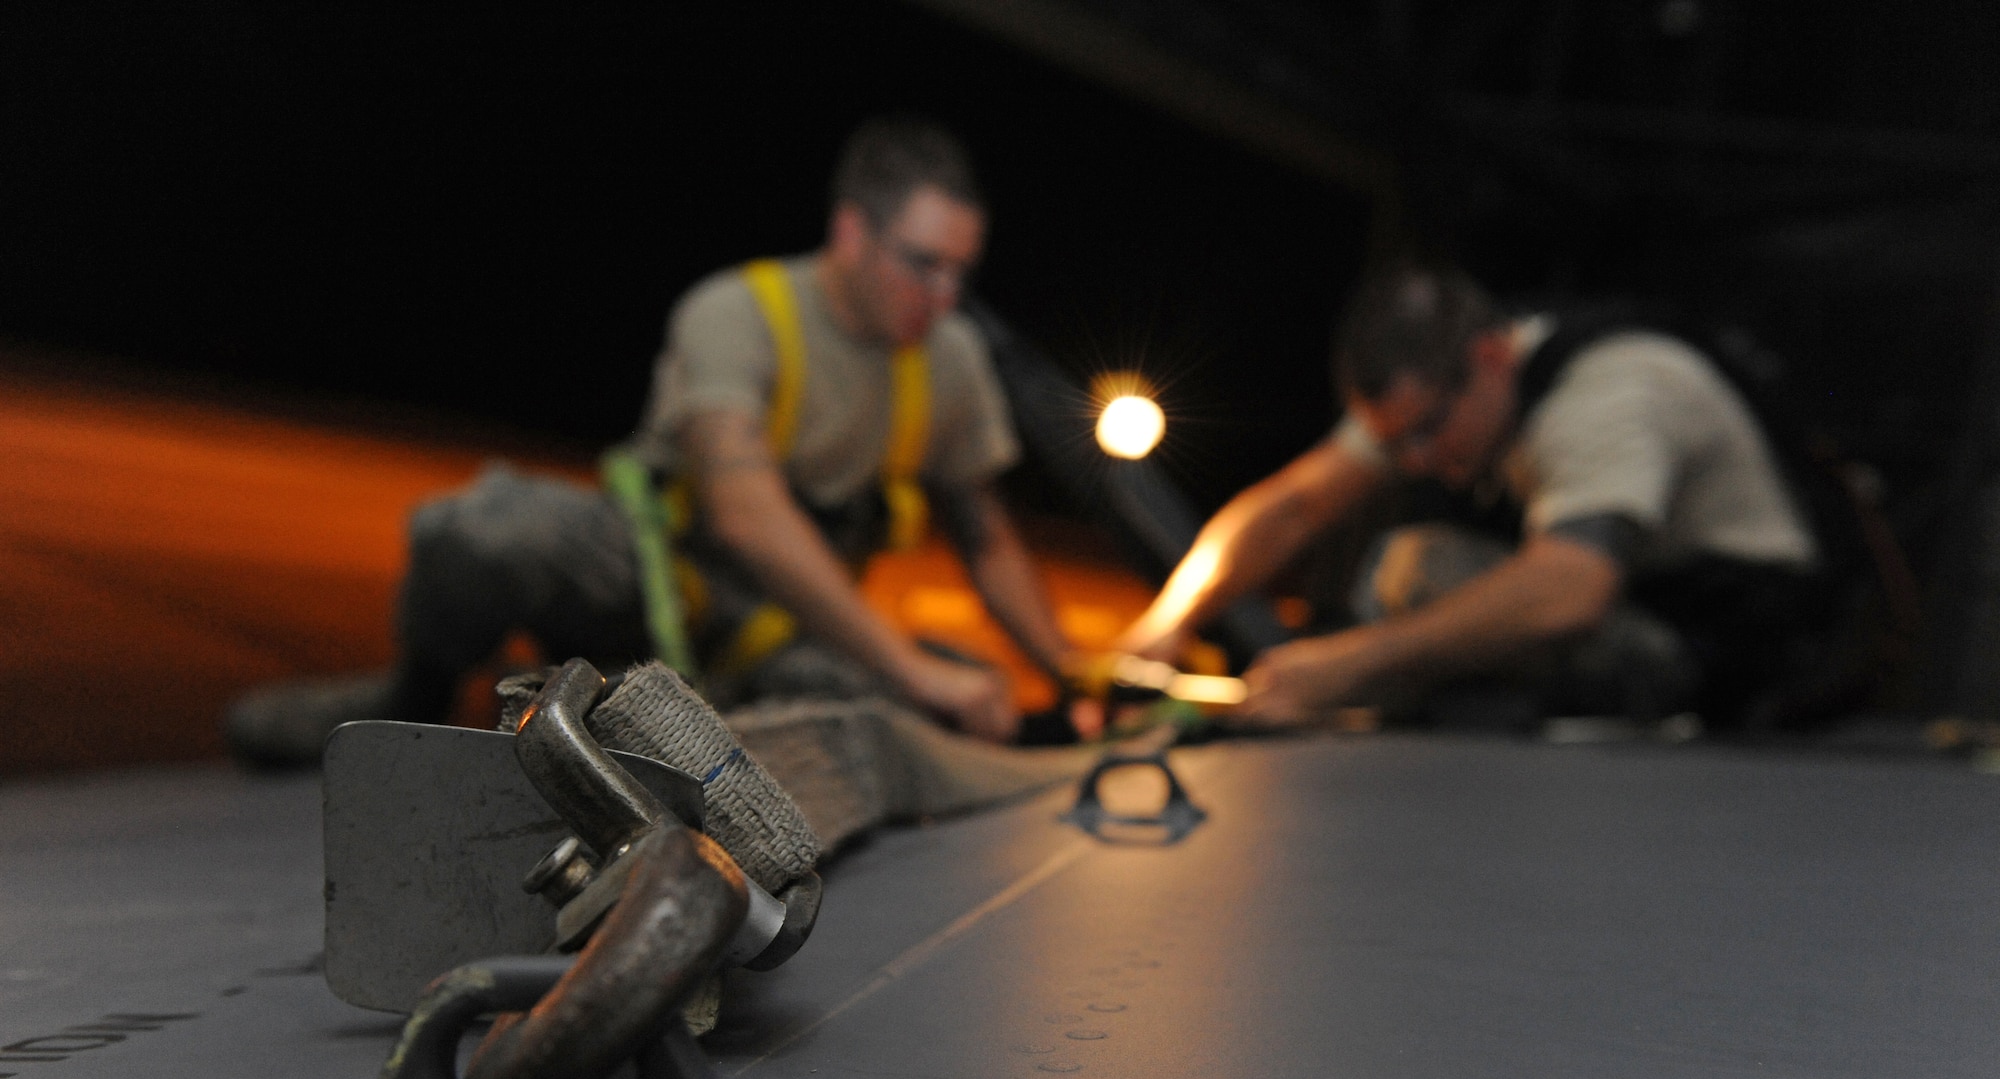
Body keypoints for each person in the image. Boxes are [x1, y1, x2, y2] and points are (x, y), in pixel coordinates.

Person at [229, 118, 1082, 765]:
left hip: (780, 627)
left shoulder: (948, 359)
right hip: (650, 578)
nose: (943, 296)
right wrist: (914, 670)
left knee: (947, 703)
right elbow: (743, 514)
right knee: (481, 531)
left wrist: (1076, 674)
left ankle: (654, 718)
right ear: (852, 232)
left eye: (961, 274)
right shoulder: (741, 313)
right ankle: (414, 698)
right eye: (924, 264)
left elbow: (988, 537)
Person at [1116, 262, 1823, 728]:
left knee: (1420, 571)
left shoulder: (1610, 391)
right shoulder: (1440, 391)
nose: (1416, 462)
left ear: (1488, 359)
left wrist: (1349, 662)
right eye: (1395, 444)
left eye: (1426, 431)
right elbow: (1296, 503)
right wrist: (1167, 624)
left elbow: (1571, 587)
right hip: (1641, 606)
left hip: (1729, 644)